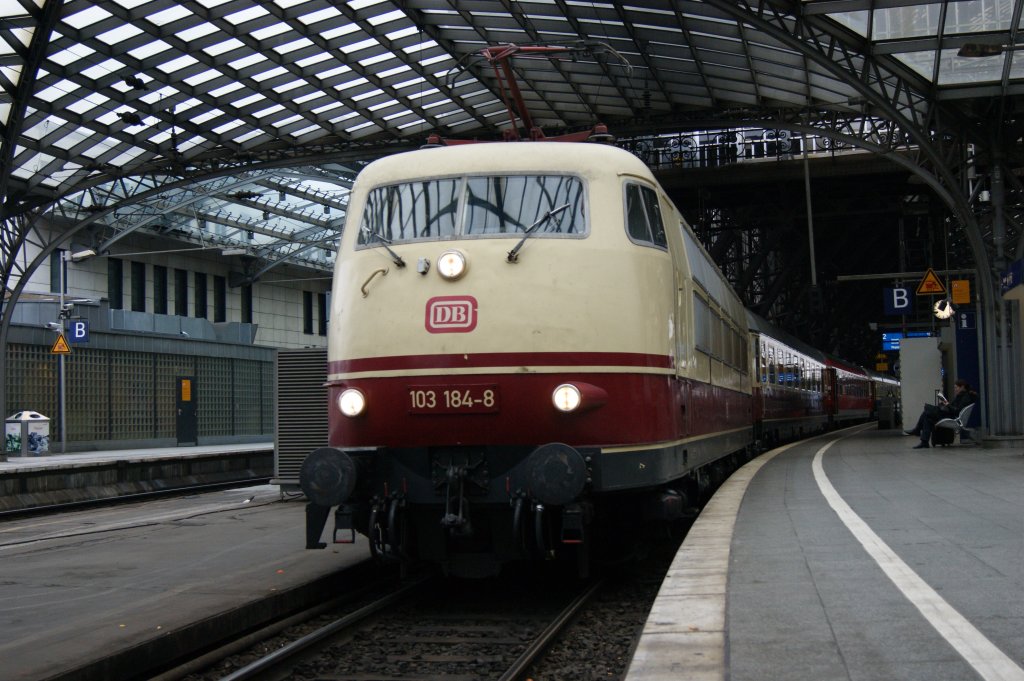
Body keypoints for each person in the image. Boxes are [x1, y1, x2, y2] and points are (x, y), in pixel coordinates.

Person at [904, 379, 976, 449]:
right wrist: (945, 404)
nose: (955, 389)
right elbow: (954, 407)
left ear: (962, 387)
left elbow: (956, 411)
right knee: (928, 416)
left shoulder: (965, 398)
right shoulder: (961, 396)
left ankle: (918, 432)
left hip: (953, 417)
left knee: (927, 411)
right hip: (950, 414)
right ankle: (923, 441)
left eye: (956, 387)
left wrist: (947, 405)